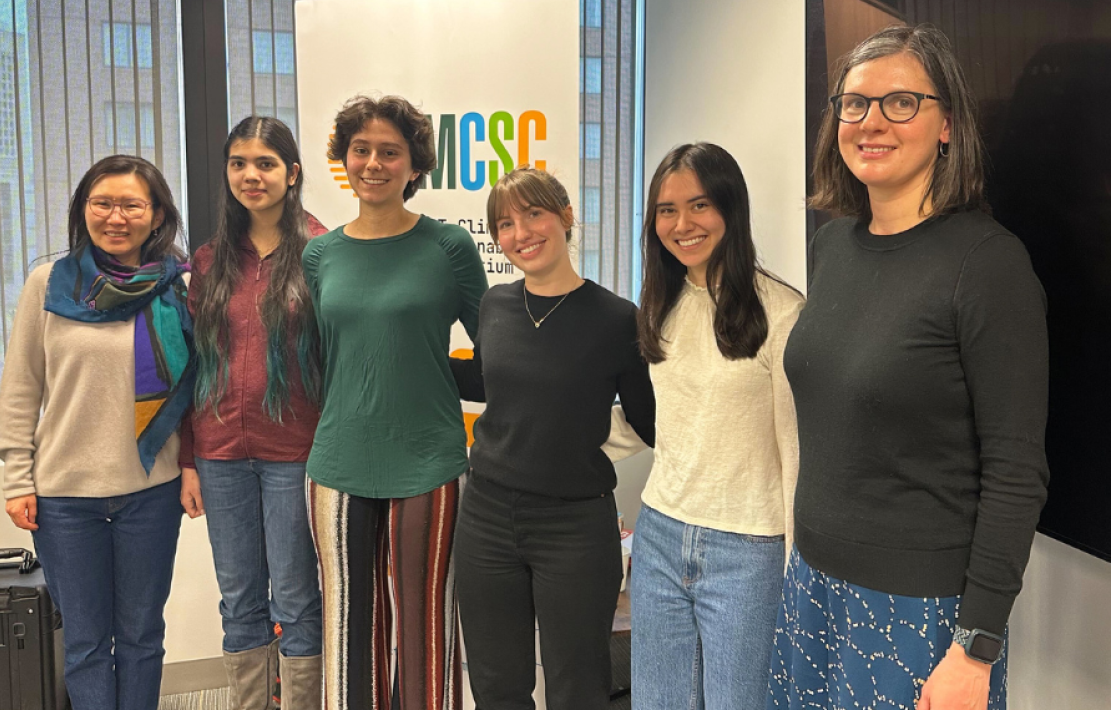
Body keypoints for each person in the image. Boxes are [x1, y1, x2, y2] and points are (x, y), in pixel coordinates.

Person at [769, 24, 1049, 710]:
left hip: (918, 614)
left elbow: (1016, 472)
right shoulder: (834, 245)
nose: (871, 121)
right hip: (811, 587)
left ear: (946, 122)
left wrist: (976, 648)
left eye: (901, 103)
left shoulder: (987, 266)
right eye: (855, 103)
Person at [302, 94, 488, 710]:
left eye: (390, 152)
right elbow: (317, 357)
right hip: (338, 463)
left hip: (429, 461)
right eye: (361, 150)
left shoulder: (450, 248)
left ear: (414, 166)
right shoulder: (321, 254)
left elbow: (495, 349)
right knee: (349, 631)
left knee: (427, 627)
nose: (373, 163)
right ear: (343, 160)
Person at [449, 166, 655, 710]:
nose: (521, 233)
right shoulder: (494, 305)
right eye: (505, 224)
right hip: (487, 517)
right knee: (496, 685)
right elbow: (488, 380)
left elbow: (651, 420)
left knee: (578, 688)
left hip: (575, 526)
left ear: (566, 216)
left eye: (534, 213)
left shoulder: (617, 319)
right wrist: (413, 354)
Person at [0, 155, 194, 710]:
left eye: (131, 204)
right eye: (102, 202)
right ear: (83, 210)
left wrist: (193, 468)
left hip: (150, 492)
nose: (115, 216)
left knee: (140, 639)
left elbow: (198, 393)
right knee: (84, 644)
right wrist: (17, 479)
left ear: (156, 215)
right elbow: (19, 389)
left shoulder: (176, 289)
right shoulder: (49, 282)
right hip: (63, 499)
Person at [629, 143, 804, 710]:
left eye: (699, 205)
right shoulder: (661, 305)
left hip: (748, 547)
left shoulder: (782, 313)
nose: (682, 225)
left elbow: (795, 452)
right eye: (666, 210)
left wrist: (795, 567)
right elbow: (667, 420)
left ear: (731, 208)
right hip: (659, 533)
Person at [179, 116, 327, 710]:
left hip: (297, 451)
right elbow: (192, 366)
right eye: (239, 163)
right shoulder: (210, 259)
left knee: (295, 598)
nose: (251, 175)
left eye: (265, 163)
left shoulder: (323, 252)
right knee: (238, 598)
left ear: (292, 174)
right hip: (220, 455)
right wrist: (190, 461)